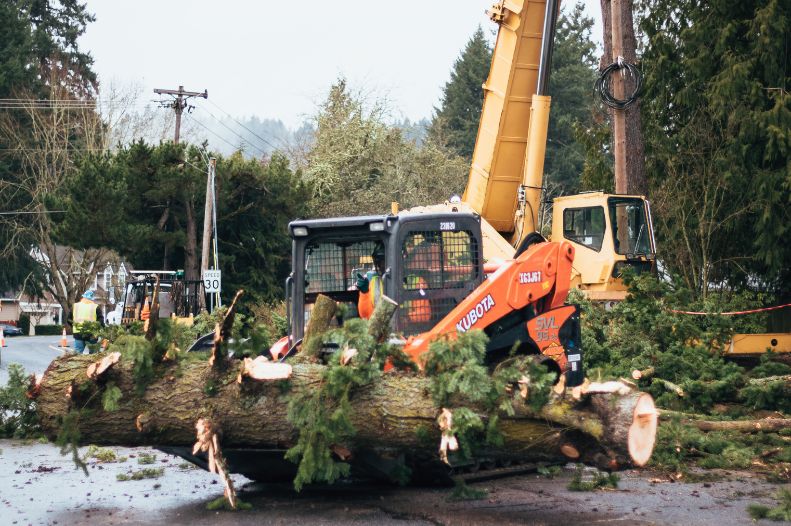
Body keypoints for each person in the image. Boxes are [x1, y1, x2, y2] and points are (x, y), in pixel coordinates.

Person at [356, 243, 386, 320]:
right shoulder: (372, 282)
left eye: (384, 261)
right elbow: (365, 315)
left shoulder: (409, 281)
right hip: (380, 328)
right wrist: (364, 293)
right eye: (380, 262)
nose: (382, 265)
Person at [72, 289, 103, 354]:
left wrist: (75, 327)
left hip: (78, 333)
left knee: (77, 354)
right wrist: (102, 331)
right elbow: (100, 321)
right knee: (93, 354)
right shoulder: (95, 307)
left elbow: (69, 319)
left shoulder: (75, 306)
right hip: (92, 334)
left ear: (83, 297)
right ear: (92, 298)